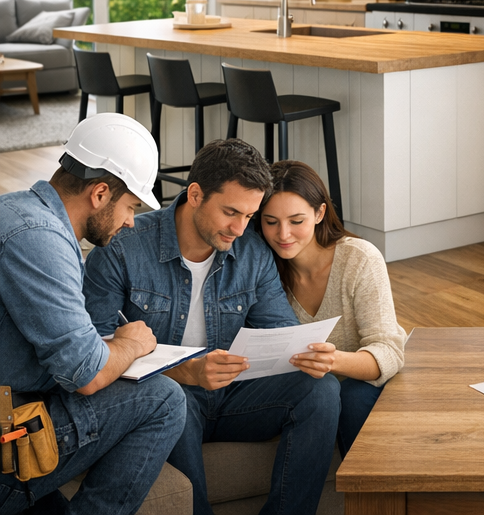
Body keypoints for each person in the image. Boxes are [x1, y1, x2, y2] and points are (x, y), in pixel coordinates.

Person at [83, 139, 340, 515]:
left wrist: (305, 354)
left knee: (321, 389)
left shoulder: (252, 252)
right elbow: (94, 353)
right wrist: (182, 371)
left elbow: (279, 332)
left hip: (235, 395)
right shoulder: (123, 247)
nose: (240, 228)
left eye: (250, 216)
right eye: (231, 212)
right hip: (171, 397)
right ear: (196, 194)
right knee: (172, 396)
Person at [0, 113, 187, 514]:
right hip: (7, 435)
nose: (131, 221)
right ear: (100, 193)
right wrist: (130, 345)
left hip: (16, 396)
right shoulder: (39, 240)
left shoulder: (16, 210)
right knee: (165, 399)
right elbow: (85, 375)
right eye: (130, 206)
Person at [257, 161, 405, 459]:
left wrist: (333, 361)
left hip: (358, 383)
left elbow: (390, 351)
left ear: (319, 213)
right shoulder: (262, 267)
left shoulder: (359, 259)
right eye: (270, 221)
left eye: (296, 221)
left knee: (351, 396)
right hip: (303, 391)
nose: (283, 234)